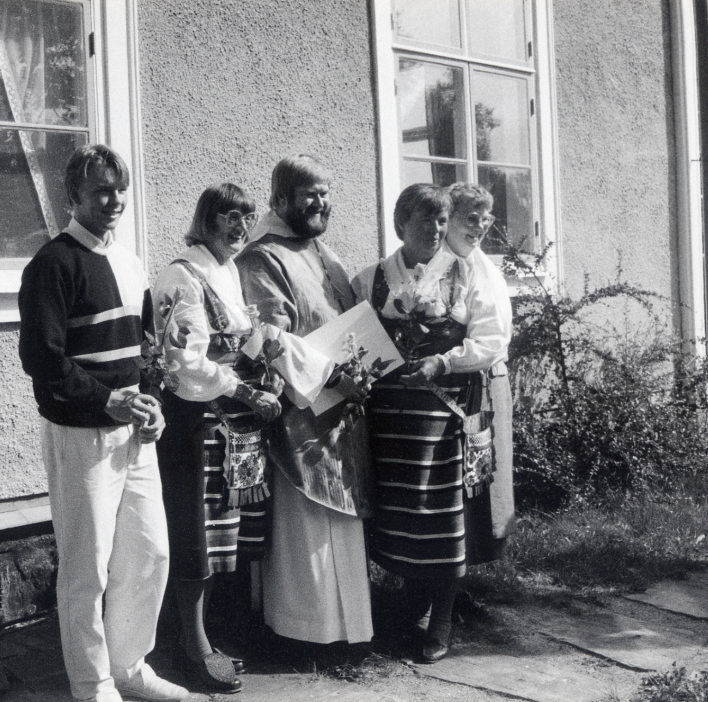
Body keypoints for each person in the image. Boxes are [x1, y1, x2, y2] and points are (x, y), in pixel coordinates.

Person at [18, 144, 188, 702]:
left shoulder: (129, 261)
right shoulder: (53, 263)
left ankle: (129, 667)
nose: (114, 200)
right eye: (101, 191)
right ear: (74, 196)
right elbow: (43, 361)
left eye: (120, 189)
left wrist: (152, 398)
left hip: (133, 432)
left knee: (149, 553)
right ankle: (91, 685)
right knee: (86, 568)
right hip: (80, 434)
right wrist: (106, 400)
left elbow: (145, 348)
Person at [152, 183, 337, 692]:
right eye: (228, 216)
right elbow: (183, 363)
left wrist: (270, 370)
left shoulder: (229, 270)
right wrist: (244, 390)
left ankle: (218, 632)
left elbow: (242, 339)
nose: (239, 226)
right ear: (206, 219)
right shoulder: (181, 275)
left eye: (247, 217)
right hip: (196, 422)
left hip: (232, 422)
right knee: (197, 534)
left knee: (226, 534)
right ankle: (190, 645)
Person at [351, 182, 512, 663]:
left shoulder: (468, 274)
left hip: (444, 417)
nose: (437, 229)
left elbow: (491, 341)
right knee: (401, 514)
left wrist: (442, 363)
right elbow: (354, 342)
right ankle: (411, 602)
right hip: (390, 423)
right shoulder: (370, 279)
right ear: (400, 223)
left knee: (444, 516)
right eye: (426, 220)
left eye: (443, 221)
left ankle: (440, 615)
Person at [235, 154, 374, 647]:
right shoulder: (261, 257)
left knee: (340, 521)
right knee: (306, 529)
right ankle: (301, 630)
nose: (321, 203)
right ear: (279, 200)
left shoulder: (324, 252)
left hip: (341, 407)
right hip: (300, 409)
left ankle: (349, 629)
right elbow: (266, 336)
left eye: (326, 192)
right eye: (310, 194)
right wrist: (332, 374)